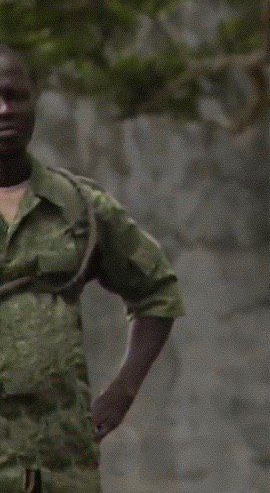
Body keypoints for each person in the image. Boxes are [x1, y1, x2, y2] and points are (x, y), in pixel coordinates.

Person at [0, 45, 184, 492]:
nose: (4, 110)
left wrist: (122, 392)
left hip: (61, 467)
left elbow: (157, 291)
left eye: (14, 96)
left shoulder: (78, 207)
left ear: (34, 102)